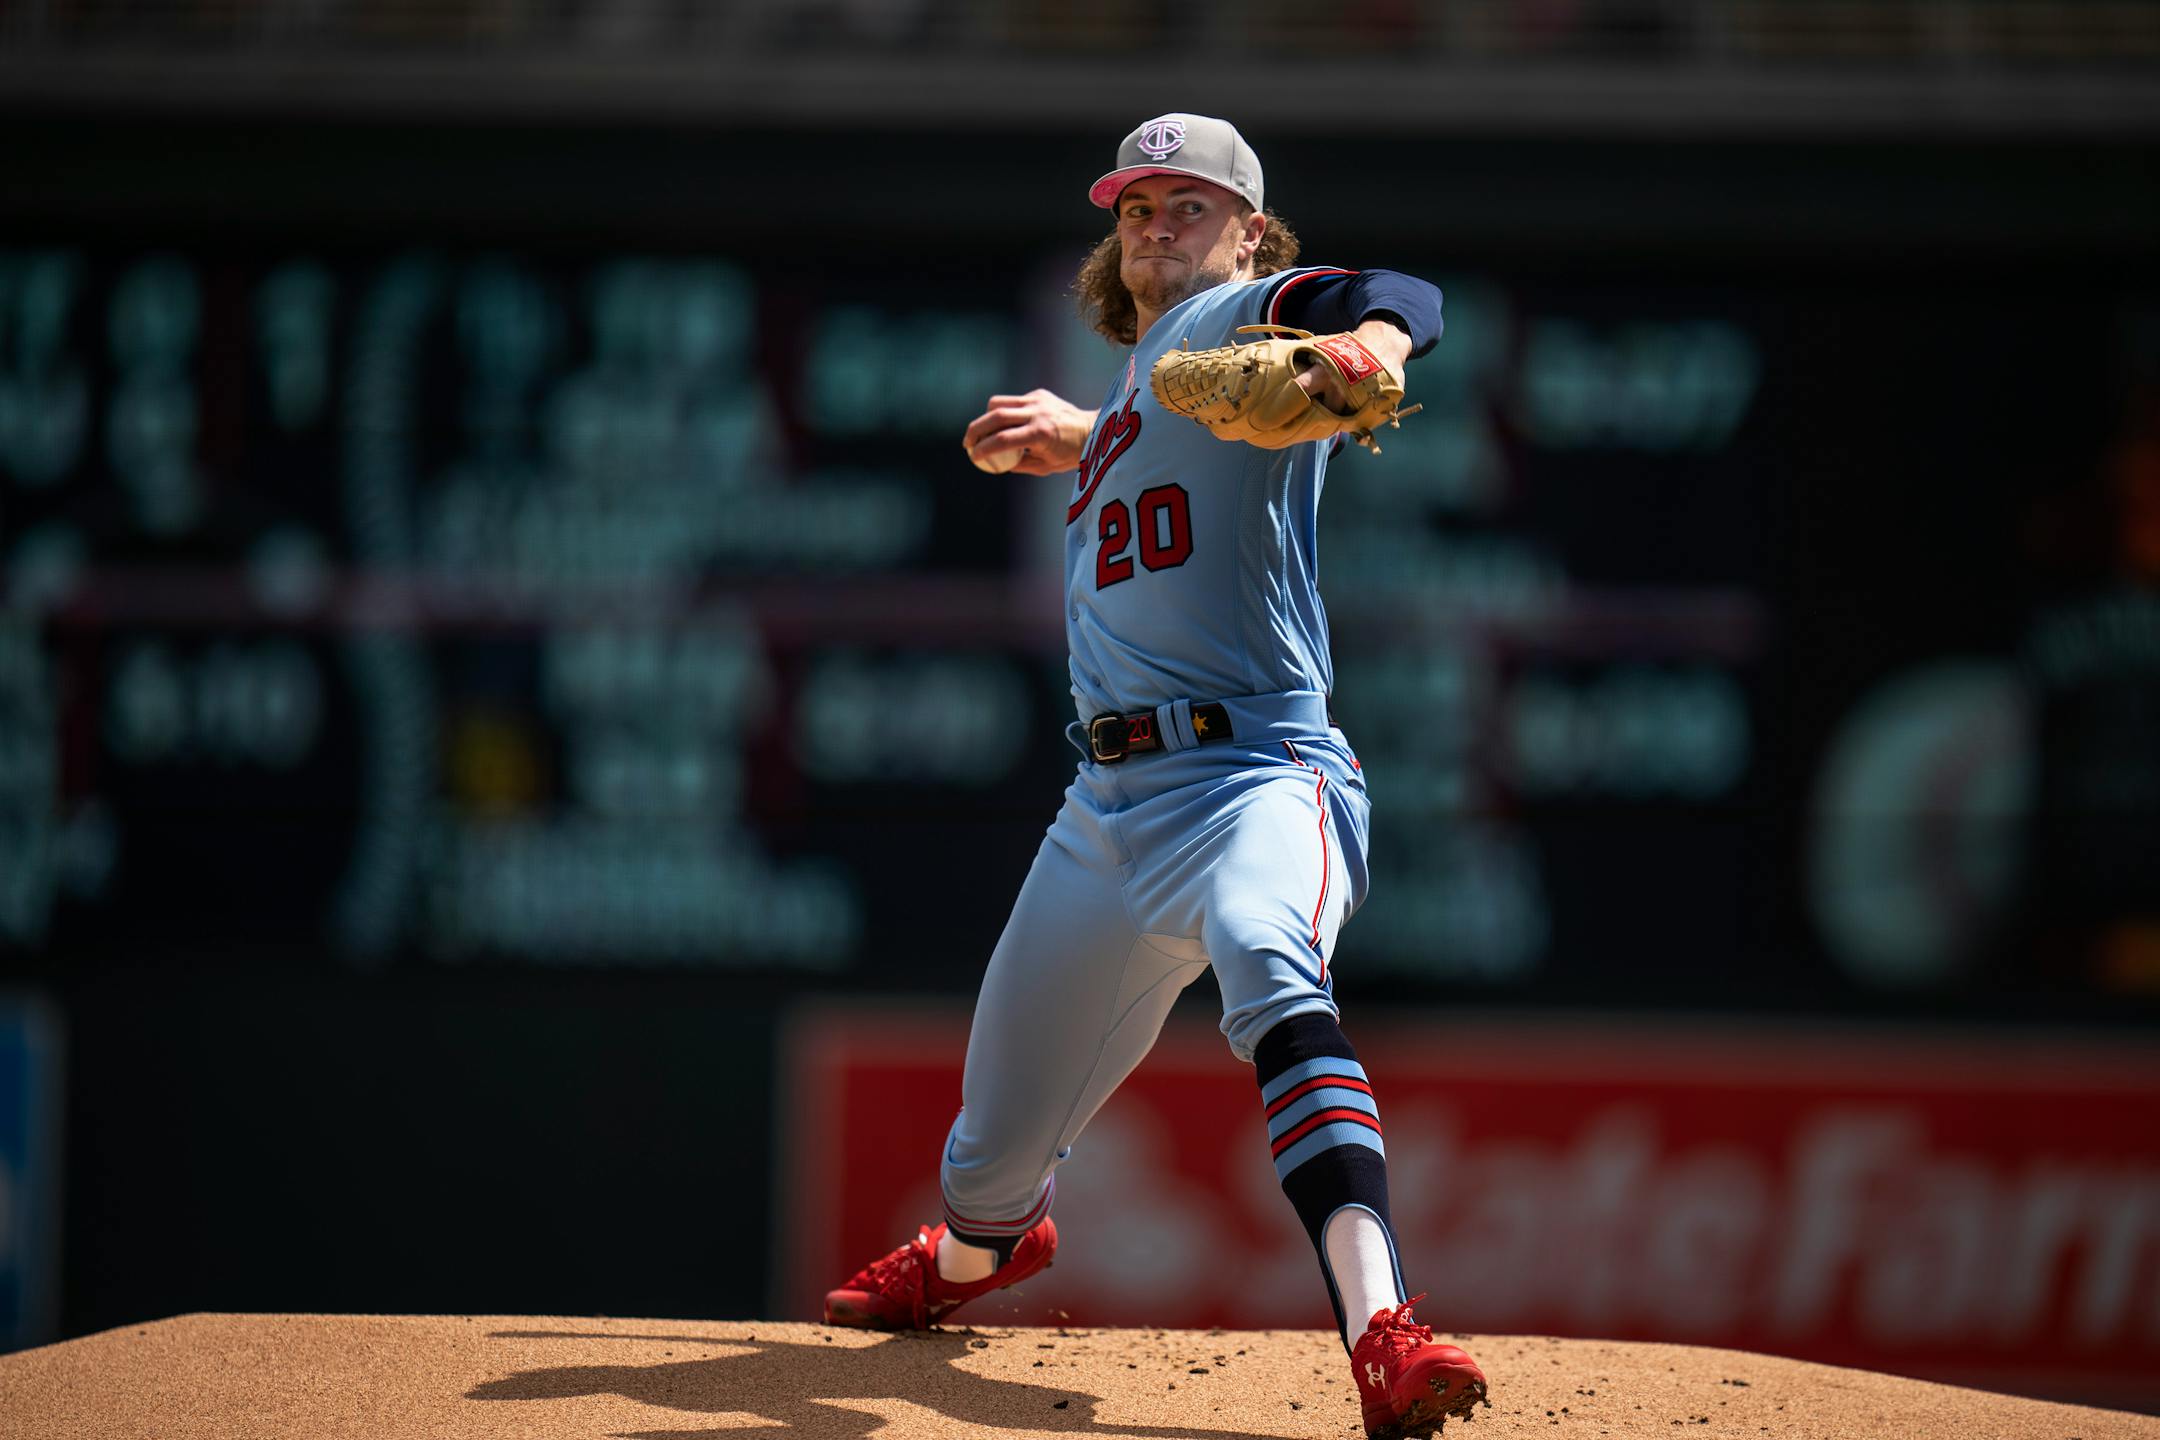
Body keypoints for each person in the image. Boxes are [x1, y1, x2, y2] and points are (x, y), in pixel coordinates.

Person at [822, 113, 1489, 1439]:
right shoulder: (1137, 398)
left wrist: (1369, 349)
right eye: (1137, 210)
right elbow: (1158, 426)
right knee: (989, 1159)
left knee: (1268, 959)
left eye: (1190, 205)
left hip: (1257, 770)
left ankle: (1385, 1329)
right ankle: (975, 1259)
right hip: (1109, 810)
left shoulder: (1251, 319)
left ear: (1250, 231)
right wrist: (1088, 431)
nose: (1157, 227)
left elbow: (1397, 297)